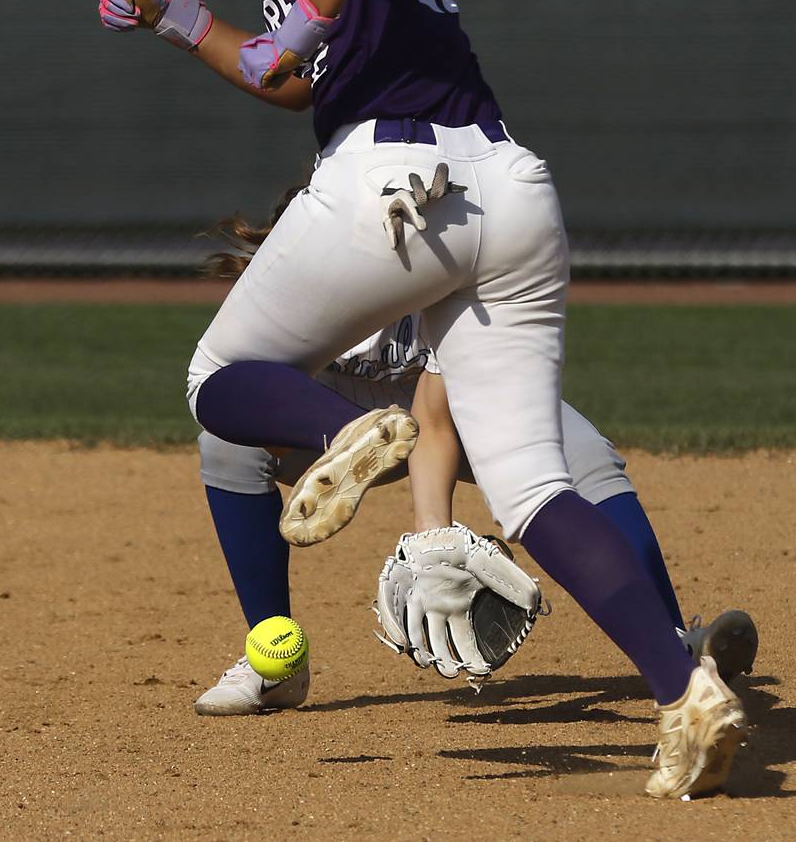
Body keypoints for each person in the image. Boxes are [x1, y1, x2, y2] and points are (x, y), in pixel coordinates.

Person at [99, 0, 749, 799]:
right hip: (509, 185)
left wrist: (303, 18)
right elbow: (287, 79)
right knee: (534, 485)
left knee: (216, 376)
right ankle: (686, 689)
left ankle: (338, 430)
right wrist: (175, 14)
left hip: (396, 181)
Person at [193, 204, 757, 715]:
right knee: (228, 440)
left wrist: (430, 535)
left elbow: (436, 413)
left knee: (586, 460)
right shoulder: (293, 284)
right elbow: (250, 397)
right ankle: (275, 660)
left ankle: (674, 640)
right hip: (341, 419)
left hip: (456, 401)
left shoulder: (446, 255)